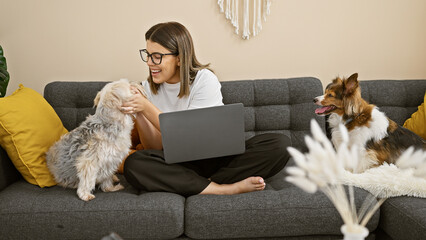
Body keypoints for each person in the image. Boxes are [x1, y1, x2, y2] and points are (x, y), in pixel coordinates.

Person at [121, 21, 291, 197]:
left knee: (280, 144)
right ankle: (221, 188)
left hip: (216, 159)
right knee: (134, 163)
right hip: (178, 163)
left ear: (179, 58)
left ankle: (193, 184)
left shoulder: (204, 79)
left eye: (156, 56)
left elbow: (188, 134)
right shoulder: (147, 88)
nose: (149, 62)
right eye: (147, 55)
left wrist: (146, 107)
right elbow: (154, 147)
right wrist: (139, 111)